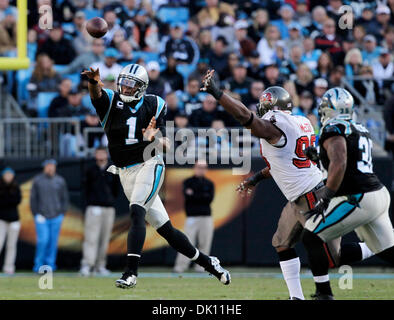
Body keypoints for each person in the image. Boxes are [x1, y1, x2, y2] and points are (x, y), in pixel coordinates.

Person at [202, 70, 375, 300]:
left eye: (265, 106)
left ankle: (376, 247)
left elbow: (247, 118)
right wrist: (256, 178)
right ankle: (297, 297)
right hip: (299, 195)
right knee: (281, 243)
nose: (261, 111)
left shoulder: (275, 124)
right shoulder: (300, 121)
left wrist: (218, 93)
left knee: (334, 257)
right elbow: (284, 162)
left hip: (313, 194)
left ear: (272, 108)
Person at [81, 63, 230, 289]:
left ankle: (130, 272)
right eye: (123, 83)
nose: (125, 88)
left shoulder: (154, 103)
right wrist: (92, 82)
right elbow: (97, 95)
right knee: (166, 230)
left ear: (142, 88)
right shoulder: (111, 102)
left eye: (131, 85)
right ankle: (210, 263)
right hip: (125, 172)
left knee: (137, 211)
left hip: (149, 164)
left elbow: (167, 146)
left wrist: (153, 139)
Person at [301, 88, 394, 300]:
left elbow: (340, 161)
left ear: (329, 108)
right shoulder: (358, 127)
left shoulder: (333, 127)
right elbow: (345, 159)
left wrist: (326, 195)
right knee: (387, 251)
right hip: (376, 194)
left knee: (311, 235)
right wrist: (318, 157)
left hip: (357, 197)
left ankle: (323, 294)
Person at [80, 147, 119, 276]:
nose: (101, 155)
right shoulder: (90, 170)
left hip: (108, 208)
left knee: (104, 238)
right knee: (91, 237)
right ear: (95, 155)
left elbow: (116, 189)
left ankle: (100, 265)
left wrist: (110, 200)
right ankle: (87, 264)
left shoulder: (113, 169)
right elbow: (85, 189)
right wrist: (91, 202)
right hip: (94, 207)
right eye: (98, 153)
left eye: (103, 153)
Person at [173, 160, 215, 273]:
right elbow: (188, 196)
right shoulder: (188, 182)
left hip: (206, 217)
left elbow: (209, 199)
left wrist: (195, 194)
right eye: (199, 167)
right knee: (187, 242)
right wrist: (201, 196)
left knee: (205, 242)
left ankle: (201, 266)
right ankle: (181, 266)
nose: (201, 169)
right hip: (192, 217)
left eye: (204, 167)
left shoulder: (209, 183)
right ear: (195, 168)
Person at [30, 159, 69, 272]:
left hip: (56, 217)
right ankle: (38, 265)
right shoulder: (37, 180)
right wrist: (36, 214)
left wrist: (62, 213)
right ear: (44, 167)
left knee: (53, 242)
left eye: (52, 166)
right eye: (48, 166)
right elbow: (33, 199)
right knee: (43, 241)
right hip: (42, 217)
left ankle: (50, 265)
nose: (50, 168)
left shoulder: (60, 180)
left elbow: (64, 198)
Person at [0, 167, 21, 274]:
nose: (8, 177)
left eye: (10, 174)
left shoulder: (16, 187)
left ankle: (9, 267)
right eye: (6, 175)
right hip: (2, 220)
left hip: (14, 220)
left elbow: (17, 200)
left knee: (11, 245)